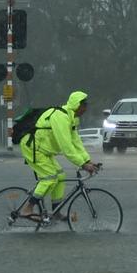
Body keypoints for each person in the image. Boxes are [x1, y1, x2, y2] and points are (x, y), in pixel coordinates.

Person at [19, 90, 97, 221]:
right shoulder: (60, 117)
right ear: (77, 105)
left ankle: (56, 212)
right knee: (49, 178)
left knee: (60, 176)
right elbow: (66, 146)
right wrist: (82, 164)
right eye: (84, 106)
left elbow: (76, 142)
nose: (85, 109)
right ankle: (27, 208)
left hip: (44, 151)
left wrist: (88, 160)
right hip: (33, 148)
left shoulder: (72, 119)